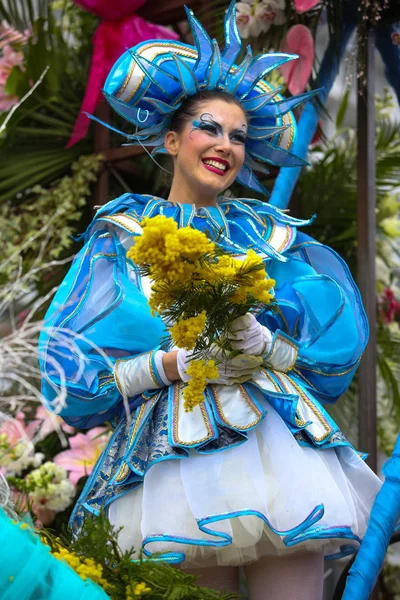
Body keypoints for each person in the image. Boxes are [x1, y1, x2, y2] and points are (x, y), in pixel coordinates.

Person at [39, 3, 382, 599]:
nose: (226, 144)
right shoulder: (122, 235)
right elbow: (73, 369)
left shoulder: (269, 234)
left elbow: (331, 342)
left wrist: (268, 346)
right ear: (171, 139)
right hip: (174, 459)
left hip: (278, 450)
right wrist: (170, 363)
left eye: (240, 136)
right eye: (209, 127)